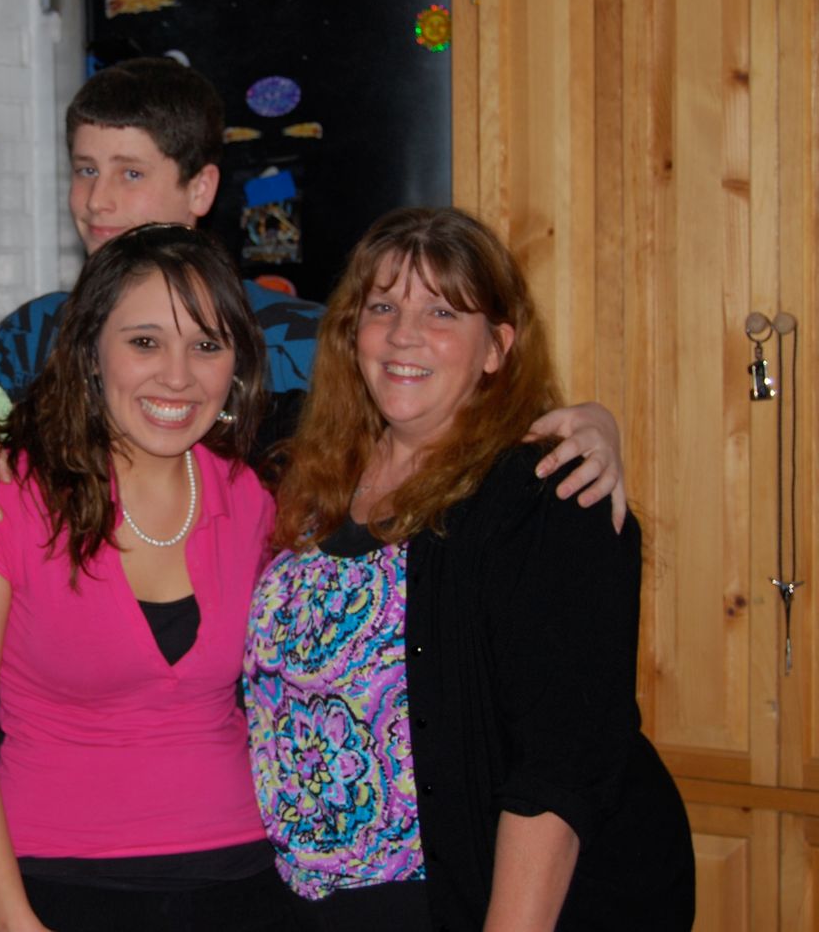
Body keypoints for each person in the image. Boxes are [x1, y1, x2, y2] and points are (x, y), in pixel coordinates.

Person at [0, 57, 627, 550]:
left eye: (130, 173)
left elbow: (454, 415)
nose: (97, 200)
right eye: (84, 170)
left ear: (201, 190)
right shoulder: (38, 328)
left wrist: (589, 427)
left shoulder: (300, 334)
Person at [243, 207, 694, 930]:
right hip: (307, 901)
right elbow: (162, 400)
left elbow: (559, 771)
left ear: (496, 348)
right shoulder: (301, 462)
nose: (403, 334)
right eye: (382, 307)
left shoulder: (548, 500)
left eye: (442, 312)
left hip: (461, 904)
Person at [0, 224, 287, 932]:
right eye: (145, 342)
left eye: (206, 345)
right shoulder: (0, 494)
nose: (177, 376)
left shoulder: (251, 498)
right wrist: (10, 919)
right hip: (59, 881)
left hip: (244, 876)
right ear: (91, 351)